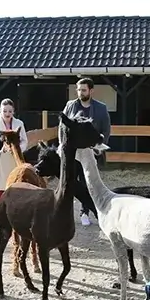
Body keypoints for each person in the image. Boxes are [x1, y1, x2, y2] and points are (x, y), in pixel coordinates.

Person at [60, 77, 111, 226]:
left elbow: (106, 130)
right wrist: (62, 147)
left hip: (90, 152)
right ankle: (66, 212)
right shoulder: (70, 106)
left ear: (91, 90)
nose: (80, 92)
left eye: (83, 90)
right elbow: (62, 128)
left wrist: (98, 147)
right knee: (69, 181)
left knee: (87, 182)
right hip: (73, 152)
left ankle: (85, 212)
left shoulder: (100, 108)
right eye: (78, 89)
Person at [0, 98, 28, 202]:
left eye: (10, 111)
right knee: (1, 180)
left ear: (13, 111)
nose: (7, 113)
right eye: (5, 111)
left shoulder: (19, 123)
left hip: (14, 157)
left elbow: (24, 140)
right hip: (0, 158)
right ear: (1, 111)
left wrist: (17, 149)